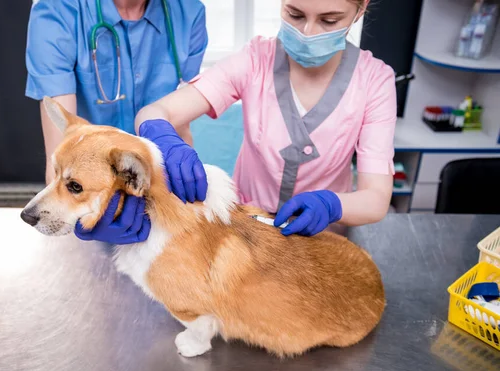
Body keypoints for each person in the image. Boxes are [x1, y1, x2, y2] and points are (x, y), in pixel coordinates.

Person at [131, 0, 397, 238]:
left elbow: (375, 199)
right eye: (295, 14)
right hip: (247, 226)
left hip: (325, 238)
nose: (308, 33)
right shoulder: (256, 60)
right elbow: (153, 112)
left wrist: (332, 205)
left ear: (360, 9)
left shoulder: (375, 81)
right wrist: (164, 138)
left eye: (329, 20)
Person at [24, 0, 209, 244]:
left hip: (152, 190)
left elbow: (180, 123)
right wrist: (79, 216)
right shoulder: (58, 12)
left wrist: (183, 189)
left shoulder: (188, 12)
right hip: (89, 200)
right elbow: (63, 148)